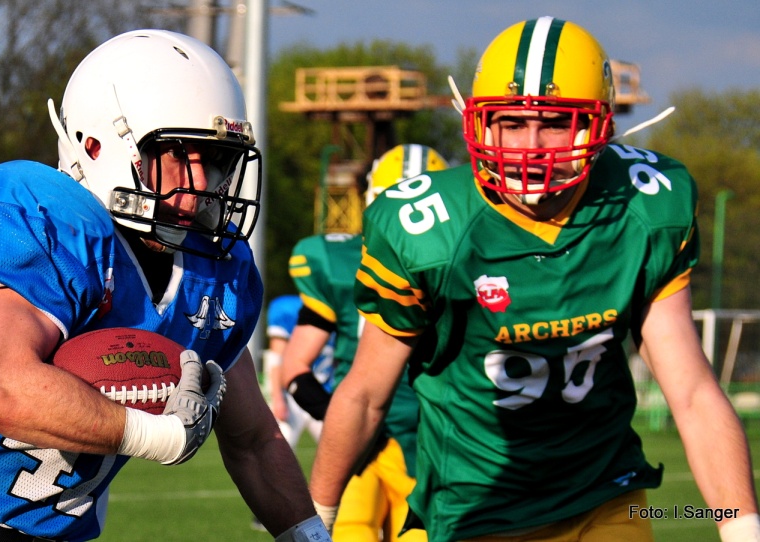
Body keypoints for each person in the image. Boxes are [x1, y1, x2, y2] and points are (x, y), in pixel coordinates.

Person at [0, 29, 328, 542]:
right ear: (100, 144)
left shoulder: (211, 272)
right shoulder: (50, 225)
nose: (203, 186)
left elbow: (253, 440)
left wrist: (310, 536)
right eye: (181, 156)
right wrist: (158, 436)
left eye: (218, 160)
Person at [309, 15, 760, 542]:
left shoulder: (645, 207)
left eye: (553, 122)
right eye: (512, 123)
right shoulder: (428, 229)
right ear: (480, 123)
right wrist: (316, 519)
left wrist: (741, 526)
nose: (532, 146)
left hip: (604, 495)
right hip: (477, 509)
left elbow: (691, 391)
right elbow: (365, 394)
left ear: (598, 126)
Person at [283, 144, 447, 541]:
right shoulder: (335, 262)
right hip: (362, 451)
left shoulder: (465, 263)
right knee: (348, 532)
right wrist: (343, 422)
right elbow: (294, 370)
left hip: (435, 444)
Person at [252, 294, 334, 532]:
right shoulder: (287, 307)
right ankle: (268, 513)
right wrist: (277, 397)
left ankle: (344, 508)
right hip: (293, 395)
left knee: (343, 452)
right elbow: (277, 357)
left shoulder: (338, 301)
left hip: (326, 394)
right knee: (277, 451)